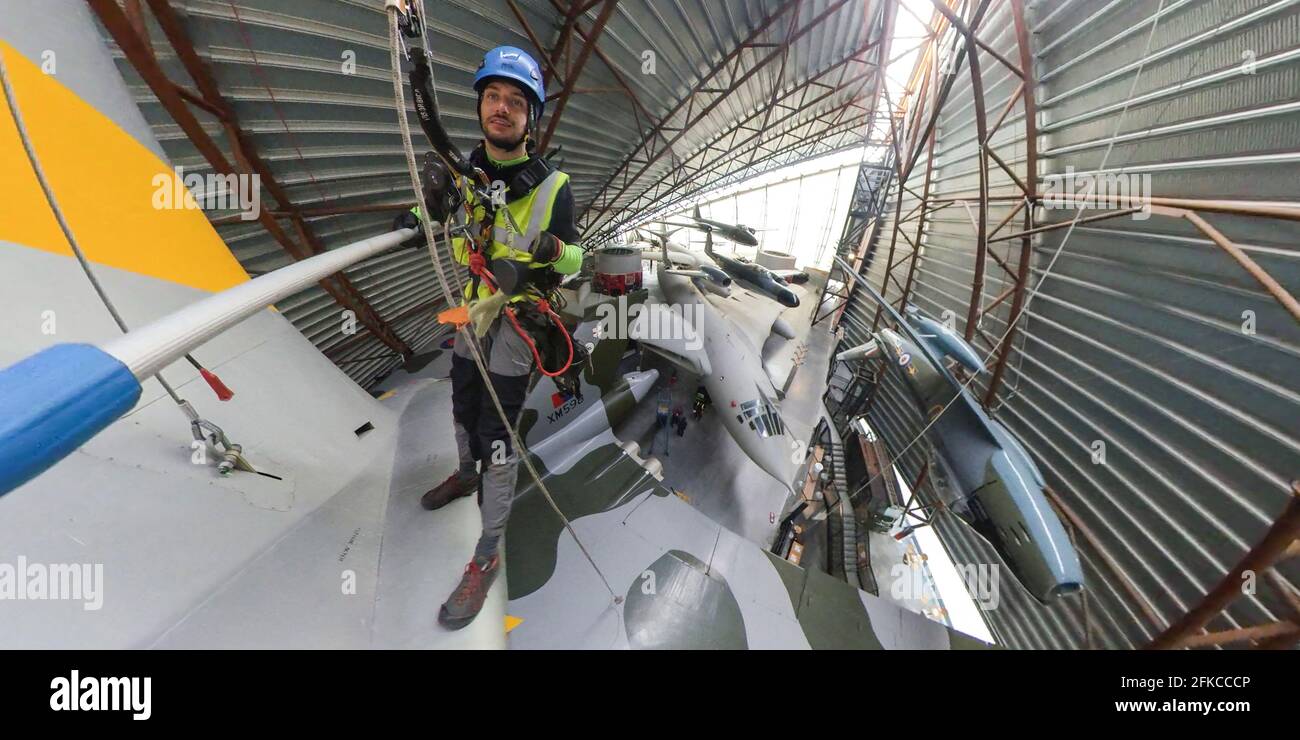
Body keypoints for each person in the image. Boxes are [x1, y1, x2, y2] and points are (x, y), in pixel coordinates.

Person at [398, 46, 583, 630]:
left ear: (531, 116)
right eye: (492, 97)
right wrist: (416, 215)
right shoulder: (464, 175)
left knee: (495, 433)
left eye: (514, 101)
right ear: (480, 105)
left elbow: (577, 256)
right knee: (459, 402)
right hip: (472, 314)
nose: (501, 109)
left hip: (514, 323)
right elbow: (433, 213)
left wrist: (555, 253)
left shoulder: (554, 187)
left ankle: (488, 552)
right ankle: (465, 472)